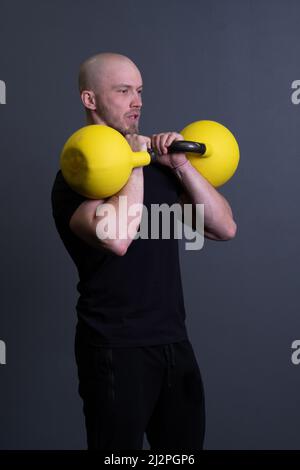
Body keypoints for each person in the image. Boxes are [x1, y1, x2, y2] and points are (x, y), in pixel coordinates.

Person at [51, 52, 237, 450]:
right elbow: (117, 237)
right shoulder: (75, 178)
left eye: (139, 91)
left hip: (174, 342)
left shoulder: (160, 168)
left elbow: (224, 227)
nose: (137, 101)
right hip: (114, 349)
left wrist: (180, 166)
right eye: (123, 91)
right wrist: (135, 159)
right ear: (90, 100)